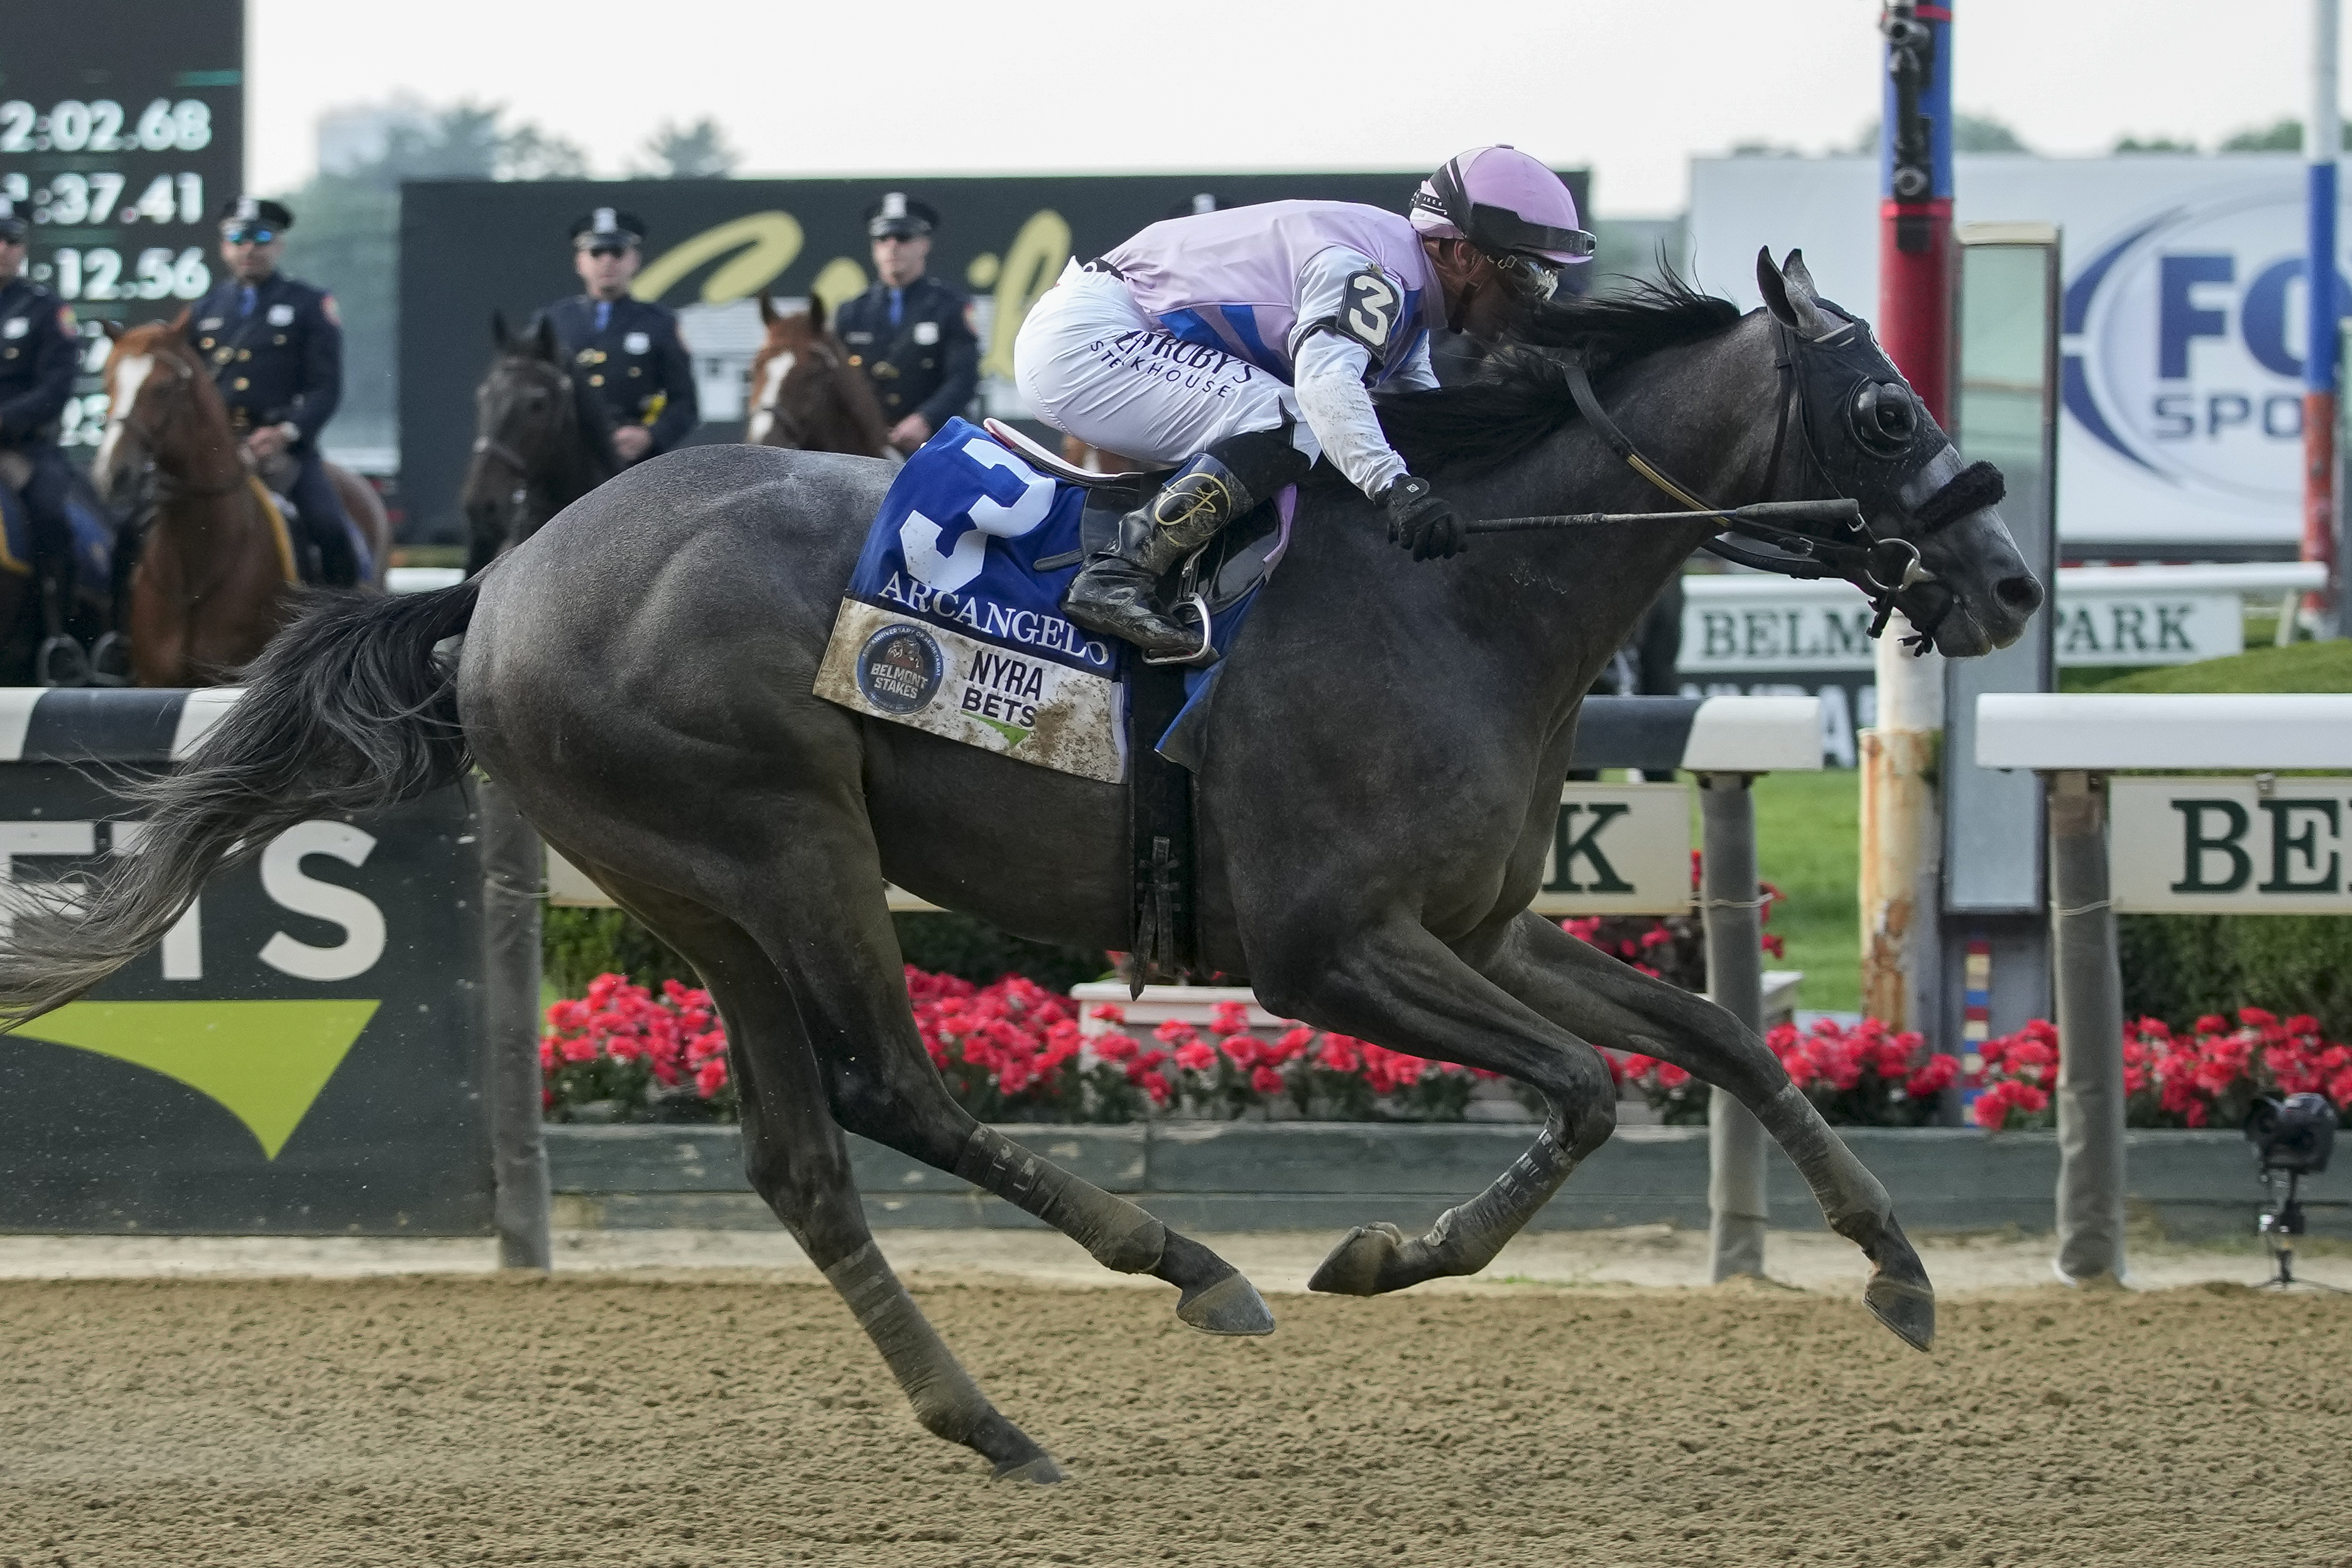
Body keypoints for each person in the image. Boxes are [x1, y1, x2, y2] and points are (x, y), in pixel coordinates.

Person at [1013, 145, 1593, 657]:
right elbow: (1327, 390)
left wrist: (1447, 487)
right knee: (1297, 418)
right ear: (1465, 256)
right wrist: (1397, 490)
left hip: (1112, 328)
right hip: (1089, 340)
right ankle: (1117, 576)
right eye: (1530, 277)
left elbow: (1413, 412)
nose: (1537, 302)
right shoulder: (1373, 273)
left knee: (1322, 426)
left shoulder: (1406, 288)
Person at [188, 195, 369, 587]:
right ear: (224, 246)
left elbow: (326, 388)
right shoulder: (203, 310)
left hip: (285, 451)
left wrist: (286, 432)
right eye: (237, 237)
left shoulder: (308, 305)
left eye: (261, 236)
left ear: (279, 245)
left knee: (327, 526)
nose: (249, 247)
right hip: (219, 449)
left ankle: (341, 632)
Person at [541, 207, 698, 466]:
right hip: (564, 466)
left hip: (634, 468)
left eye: (617, 252)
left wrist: (650, 436)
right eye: (596, 252)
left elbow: (685, 403)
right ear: (579, 262)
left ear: (634, 260)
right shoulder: (553, 323)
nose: (607, 261)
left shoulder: (659, 323)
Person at [834, 193, 979, 454]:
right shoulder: (851, 312)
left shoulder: (950, 306)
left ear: (924, 244)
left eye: (903, 237)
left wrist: (925, 419)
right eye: (882, 239)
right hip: (865, 450)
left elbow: (964, 377)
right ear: (874, 248)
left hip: (936, 444)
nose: (892, 246)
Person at [0, 196, 85, 585]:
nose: (2, 248)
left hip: (23, 450)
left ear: (24, 246)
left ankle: (58, 632)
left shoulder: (46, 310)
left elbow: (56, 389)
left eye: (11, 239)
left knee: (50, 513)